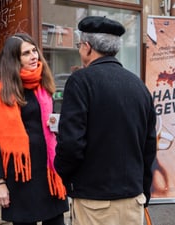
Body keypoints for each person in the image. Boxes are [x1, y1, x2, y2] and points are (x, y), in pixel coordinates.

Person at [54, 16, 157, 225]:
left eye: (79, 45)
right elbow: (149, 147)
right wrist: (144, 191)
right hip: (133, 199)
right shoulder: (138, 85)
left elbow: (71, 144)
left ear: (87, 46)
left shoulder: (80, 81)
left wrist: (65, 175)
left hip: (94, 202)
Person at [0, 33, 68, 225]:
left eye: (34, 50)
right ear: (14, 59)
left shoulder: (42, 83)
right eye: (26, 53)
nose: (34, 56)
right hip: (21, 174)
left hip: (49, 172)